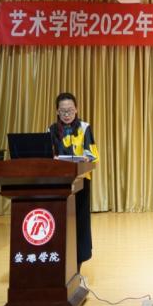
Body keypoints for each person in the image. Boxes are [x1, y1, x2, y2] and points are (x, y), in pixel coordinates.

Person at [48, 92, 99, 273]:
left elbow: (93, 155)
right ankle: (59, 266)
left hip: (80, 183)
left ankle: (77, 269)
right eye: (63, 111)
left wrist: (85, 158)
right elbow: (46, 155)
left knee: (80, 225)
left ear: (76, 109)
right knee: (60, 224)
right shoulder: (51, 130)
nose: (67, 114)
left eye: (70, 110)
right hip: (58, 184)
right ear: (57, 111)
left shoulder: (85, 128)